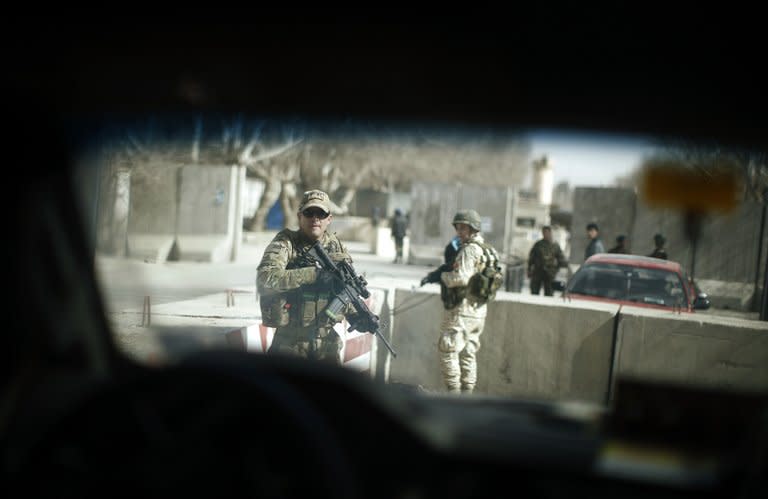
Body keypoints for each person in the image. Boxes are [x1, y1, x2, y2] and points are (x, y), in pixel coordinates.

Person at [256, 189, 354, 364]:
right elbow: (266, 278)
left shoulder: (336, 248)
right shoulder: (286, 243)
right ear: (300, 216)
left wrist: (356, 314)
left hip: (327, 345)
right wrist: (313, 274)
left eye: (321, 213)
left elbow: (347, 289)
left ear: (329, 219)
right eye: (309, 212)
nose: (315, 218)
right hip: (290, 343)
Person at [438, 209, 499, 395]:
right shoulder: (489, 250)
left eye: (463, 228)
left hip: (463, 310)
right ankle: (467, 396)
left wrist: (445, 276)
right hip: (479, 311)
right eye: (458, 227)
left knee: (448, 349)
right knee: (468, 353)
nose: (459, 232)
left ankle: (454, 396)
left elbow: (462, 278)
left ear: (473, 229)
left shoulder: (469, 250)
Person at [527, 225, 568, 296]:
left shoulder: (555, 245)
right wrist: (529, 269)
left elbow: (561, 259)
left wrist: (556, 269)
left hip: (550, 273)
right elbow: (531, 257)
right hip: (538, 271)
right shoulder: (538, 244)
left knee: (549, 293)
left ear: (550, 233)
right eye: (544, 232)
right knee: (534, 292)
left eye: (547, 232)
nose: (545, 234)